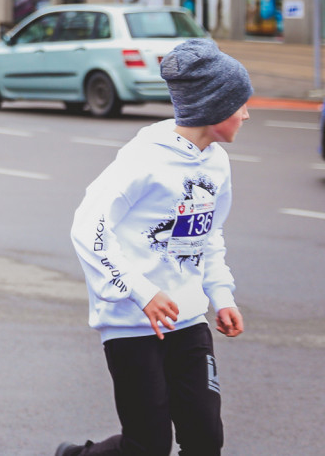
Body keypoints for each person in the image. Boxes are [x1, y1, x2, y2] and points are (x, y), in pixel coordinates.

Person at [57, 39, 251, 456]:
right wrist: (141, 291)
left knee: (205, 439)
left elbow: (209, 233)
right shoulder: (143, 161)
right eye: (240, 104)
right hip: (130, 322)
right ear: (215, 107)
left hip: (188, 317)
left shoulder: (216, 162)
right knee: (147, 447)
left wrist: (221, 295)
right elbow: (87, 227)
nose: (246, 114)